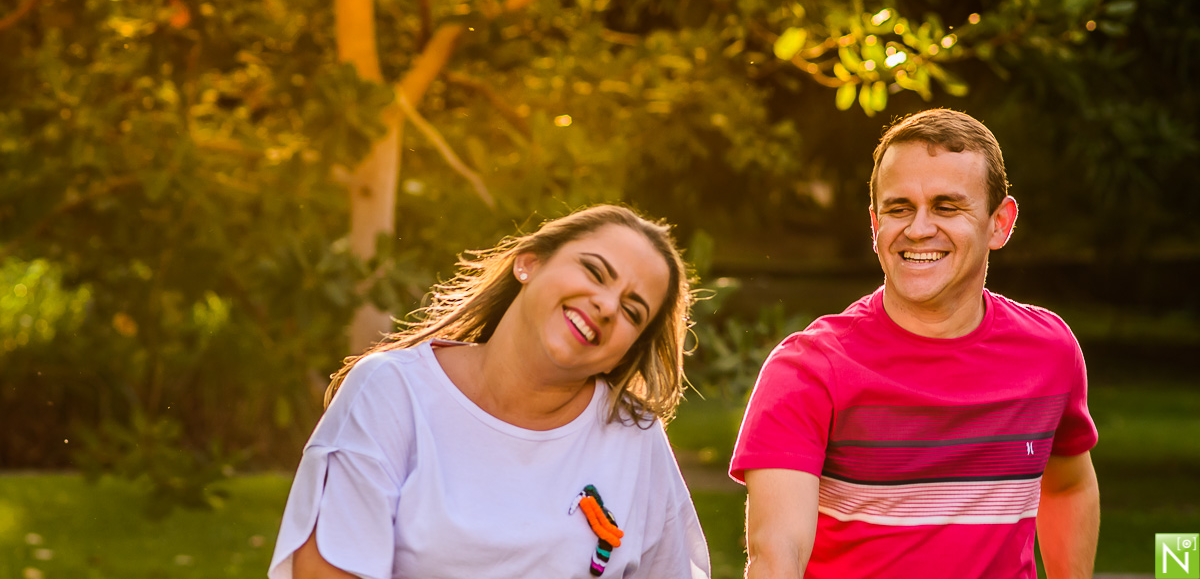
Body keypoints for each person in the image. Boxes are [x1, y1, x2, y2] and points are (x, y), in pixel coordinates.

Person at [730, 109, 1099, 579]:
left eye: (947, 206)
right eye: (899, 208)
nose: (918, 228)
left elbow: (1068, 487)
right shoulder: (808, 369)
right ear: (874, 224)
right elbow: (776, 553)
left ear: (999, 224)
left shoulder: (1049, 352)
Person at [269, 204, 711, 579]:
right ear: (529, 263)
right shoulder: (391, 391)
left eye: (633, 312)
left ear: (624, 353)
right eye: (595, 272)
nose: (608, 306)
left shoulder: (634, 437)